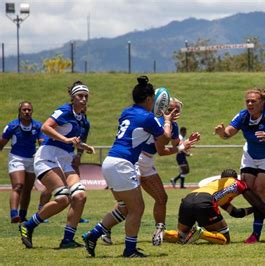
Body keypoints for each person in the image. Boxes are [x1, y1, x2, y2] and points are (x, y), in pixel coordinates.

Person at [81, 76, 179, 258]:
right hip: (122, 164)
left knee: (124, 208)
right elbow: (164, 139)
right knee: (137, 208)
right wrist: (166, 120)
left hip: (110, 162)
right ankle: (130, 249)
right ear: (150, 99)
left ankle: (92, 235)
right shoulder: (148, 117)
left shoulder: (126, 112)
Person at [99, 97, 199, 246]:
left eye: (177, 110)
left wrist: (185, 143)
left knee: (161, 198)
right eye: (170, 108)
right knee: (129, 204)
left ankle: (159, 232)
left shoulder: (173, 126)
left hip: (147, 162)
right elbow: (162, 151)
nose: (173, 112)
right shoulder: (157, 121)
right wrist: (181, 147)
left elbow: (176, 144)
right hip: (136, 159)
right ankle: (104, 228)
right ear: (163, 108)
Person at [19, 81, 94, 249]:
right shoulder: (64, 110)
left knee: (80, 196)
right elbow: (46, 127)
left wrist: (82, 147)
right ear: (73, 98)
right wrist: (66, 140)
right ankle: (28, 225)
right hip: (47, 156)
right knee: (63, 198)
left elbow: (74, 141)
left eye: (86, 96)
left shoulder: (83, 119)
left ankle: (67, 239)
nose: (83, 99)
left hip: (66, 159)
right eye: (80, 96)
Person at [214, 87, 265, 244]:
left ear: (262, 102)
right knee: (248, 191)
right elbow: (228, 133)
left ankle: (256, 234)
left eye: (253, 101)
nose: (249, 104)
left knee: (259, 191)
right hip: (251, 154)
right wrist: (221, 132)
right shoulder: (243, 116)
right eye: (247, 101)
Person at [163, 169, 265, 245]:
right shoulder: (237, 183)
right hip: (205, 202)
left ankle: (163, 234)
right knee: (225, 239)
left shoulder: (214, 186)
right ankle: (200, 234)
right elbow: (258, 202)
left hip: (187, 200)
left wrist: (254, 209)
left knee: (182, 236)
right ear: (234, 178)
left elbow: (236, 212)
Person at [0, 101, 43, 223]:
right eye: (24, 110)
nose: (27, 112)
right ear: (19, 111)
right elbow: (2, 143)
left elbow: (42, 142)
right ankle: (14, 214)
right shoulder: (12, 126)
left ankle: (22, 215)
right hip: (16, 158)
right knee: (18, 185)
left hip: (32, 158)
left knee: (28, 189)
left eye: (29, 110)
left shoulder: (37, 126)